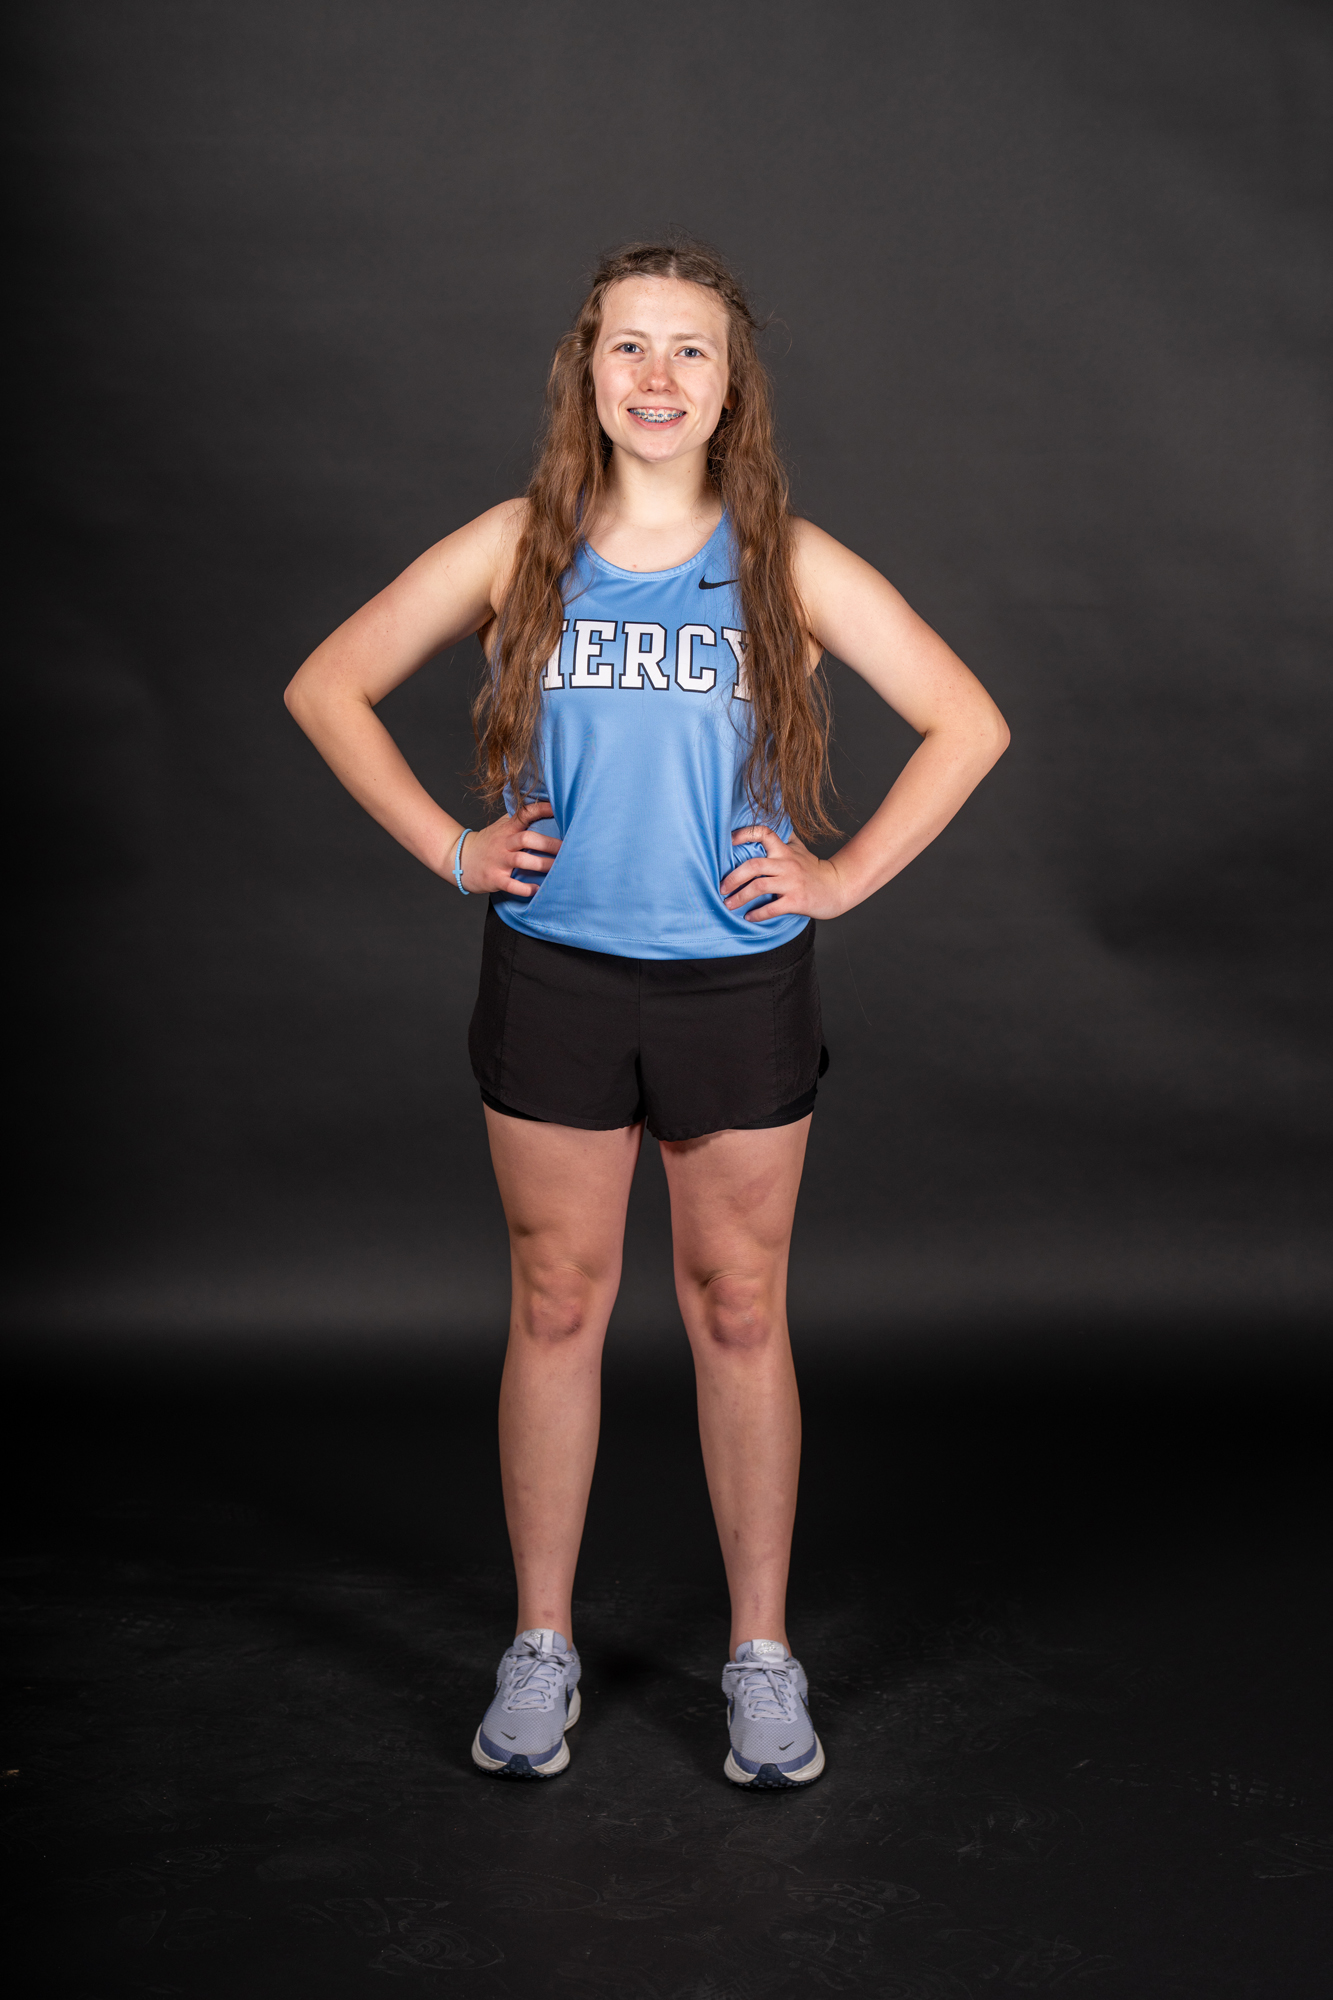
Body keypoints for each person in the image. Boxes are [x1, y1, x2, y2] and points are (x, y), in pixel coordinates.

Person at [285, 240, 1009, 1789]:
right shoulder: (518, 546)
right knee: (556, 1304)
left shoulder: (783, 561)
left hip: (734, 984)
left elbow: (967, 721)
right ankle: (540, 1642)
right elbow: (327, 684)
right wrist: (454, 850)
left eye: (690, 350)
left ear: (730, 385)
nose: (658, 376)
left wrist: (840, 877)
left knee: (737, 1311)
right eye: (629, 346)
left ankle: (760, 1655)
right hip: (554, 974)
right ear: (587, 371)